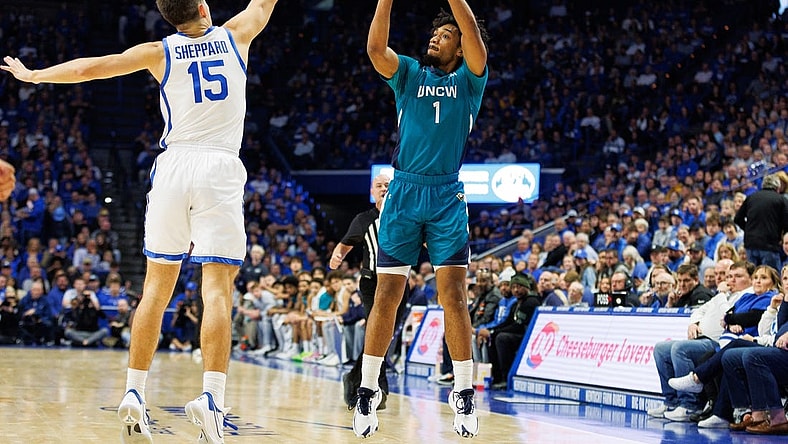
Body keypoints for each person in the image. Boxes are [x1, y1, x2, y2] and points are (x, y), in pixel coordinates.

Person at [3, 1, 281, 442]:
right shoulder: (235, 35)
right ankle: (211, 397)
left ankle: (134, 390)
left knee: (155, 287)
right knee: (216, 289)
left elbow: (90, 69)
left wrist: (35, 75)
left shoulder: (160, 51)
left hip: (173, 166)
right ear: (205, 7)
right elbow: (264, 2)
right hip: (219, 168)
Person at [356, 0, 488, 438]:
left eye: (446, 35)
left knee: (453, 296)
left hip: (447, 195)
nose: (437, 37)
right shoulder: (410, 73)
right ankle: (367, 389)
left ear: (461, 45)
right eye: (436, 33)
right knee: (386, 296)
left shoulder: (471, 81)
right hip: (404, 193)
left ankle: (465, 393)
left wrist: (460, 16)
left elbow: (472, 30)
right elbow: (376, 48)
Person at [329, 174, 408, 410]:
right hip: (372, 282)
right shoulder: (364, 219)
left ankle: (355, 378)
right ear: (372, 192)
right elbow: (346, 243)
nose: (384, 188)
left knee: (385, 334)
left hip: (401, 281)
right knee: (378, 331)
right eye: (379, 185)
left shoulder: (405, 217)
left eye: (388, 185)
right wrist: (337, 256)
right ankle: (378, 387)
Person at [648, 261, 755, 422]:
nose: (731, 280)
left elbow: (727, 314)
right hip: (702, 338)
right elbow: (700, 310)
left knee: (680, 348)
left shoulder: (746, 294)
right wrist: (694, 322)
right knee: (661, 348)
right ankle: (671, 401)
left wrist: (720, 294)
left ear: (750, 279)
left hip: (716, 341)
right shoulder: (727, 293)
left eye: (737, 276)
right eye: (730, 276)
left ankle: (690, 404)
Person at [734, 173, 788, 271]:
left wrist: (748, 230)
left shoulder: (751, 197)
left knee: (754, 276)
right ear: (778, 187)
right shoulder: (781, 200)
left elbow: (737, 218)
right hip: (769, 244)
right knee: (771, 277)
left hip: (750, 244)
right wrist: (781, 235)